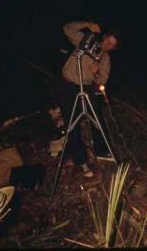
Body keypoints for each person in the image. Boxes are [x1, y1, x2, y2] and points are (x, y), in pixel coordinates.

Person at [58, 21, 119, 177]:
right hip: (68, 86)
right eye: (107, 40)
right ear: (104, 37)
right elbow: (66, 29)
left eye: (111, 45)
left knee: (97, 118)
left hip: (86, 88)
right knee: (71, 124)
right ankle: (81, 161)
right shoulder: (86, 40)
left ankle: (103, 152)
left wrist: (96, 73)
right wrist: (86, 24)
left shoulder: (105, 59)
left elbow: (102, 81)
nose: (107, 45)